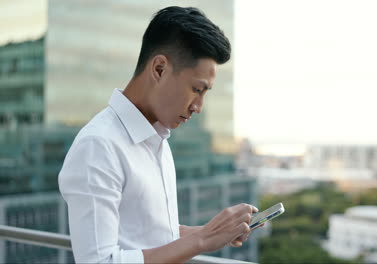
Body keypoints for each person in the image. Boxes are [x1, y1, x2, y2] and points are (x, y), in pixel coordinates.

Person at [58, 6, 259, 263]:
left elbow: (153, 235)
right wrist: (203, 240)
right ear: (160, 69)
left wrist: (217, 232)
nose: (198, 107)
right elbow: (99, 261)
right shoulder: (98, 146)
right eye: (197, 89)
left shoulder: (158, 141)